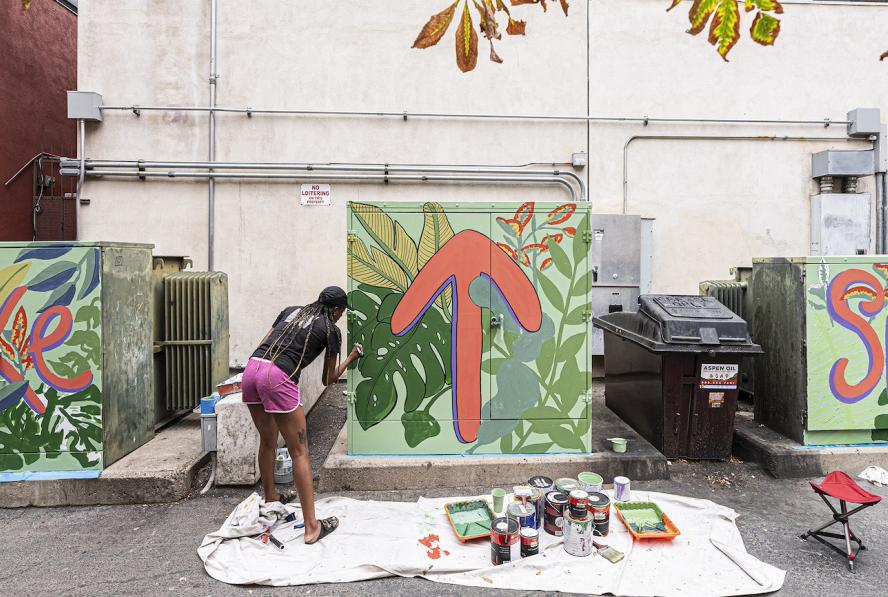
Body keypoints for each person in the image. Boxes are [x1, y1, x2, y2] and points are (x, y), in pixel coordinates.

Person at [242, 285, 362, 544]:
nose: (341, 316)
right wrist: (352, 357)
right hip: (276, 378)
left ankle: (271, 498)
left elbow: (267, 343)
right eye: (342, 311)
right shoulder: (331, 330)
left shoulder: (291, 311)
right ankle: (312, 527)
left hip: (252, 370)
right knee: (299, 451)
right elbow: (328, 378)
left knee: (268, 441)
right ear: (337, 309)